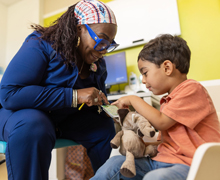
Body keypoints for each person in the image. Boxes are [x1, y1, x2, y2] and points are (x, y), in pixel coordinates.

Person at [0, 0, 118, 179]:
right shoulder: (42, 44)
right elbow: (10, 94)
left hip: (56, 120)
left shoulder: (98, 65)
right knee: (35, 124)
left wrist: (115, 112)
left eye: (109, 44)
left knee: (104, 127)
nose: (104, 50)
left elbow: (97, 107)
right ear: (80, 28)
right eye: (101, 40)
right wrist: (74, 96)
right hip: (10, 115)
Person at [90, 34, 220, 180]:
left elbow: (161, 122)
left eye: (145, 73)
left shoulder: (192, 89)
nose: (144, 81)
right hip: (162, 161)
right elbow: (164, 136)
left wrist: (133, 99)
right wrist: (133, 132)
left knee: (156, 177)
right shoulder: (169, 100)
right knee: (115, 163)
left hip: (191, 165)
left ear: (167, 67)